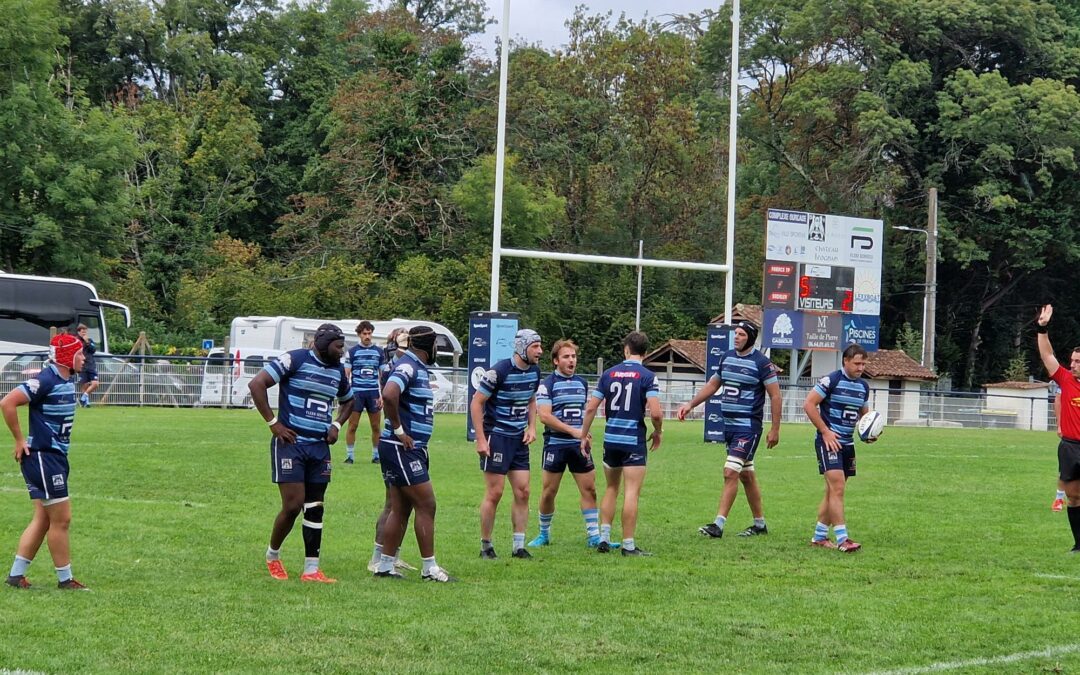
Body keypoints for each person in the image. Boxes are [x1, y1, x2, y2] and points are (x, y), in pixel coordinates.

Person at [248, 323, 353, 582]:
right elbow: (257, 384)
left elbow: (350, 400)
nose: (342, 351)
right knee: (294, 505)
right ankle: (273, 555)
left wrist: (336, 424)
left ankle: (311, 569)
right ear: (323, 344)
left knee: (315, 507)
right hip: (291, 445)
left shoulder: (338, 371)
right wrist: (274, 424)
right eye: (338, 346)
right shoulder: (294, 359)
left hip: (319, 448)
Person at [676, 320, 780, 539]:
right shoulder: (726, 357)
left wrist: (775, 429)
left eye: (741, 334)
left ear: (750, 338)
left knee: (730, 472)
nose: (737, 337)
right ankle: (760, 525)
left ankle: (718, 525)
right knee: (746, 476)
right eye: (736, 334)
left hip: (748, 428)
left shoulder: (762, 363)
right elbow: (713, 385)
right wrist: (690, 404)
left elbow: (775, 395)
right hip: (730, 428)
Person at [3, 333, 89, 589]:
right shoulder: (45, 380)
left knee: (43, 518)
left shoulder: (65, 379)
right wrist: (20, 440)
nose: (84, 359)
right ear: (67, 357)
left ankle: (16, 576)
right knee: (62, 519)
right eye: (80, 354)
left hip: (54, 458)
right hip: (43, 458)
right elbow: (7, 403)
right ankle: (65, 580)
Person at [372, 326, 455, 582]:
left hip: (410, 448)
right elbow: (388, 394)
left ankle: (385, 565)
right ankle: (429, 568)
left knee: (400, 507)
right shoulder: (408, 366)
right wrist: (399, 430)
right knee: (426, 504)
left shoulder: (416, 367)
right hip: (402, 448)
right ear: (428, 346)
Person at [579, 331, 662, 556]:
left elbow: (590, 407)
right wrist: (658, 431)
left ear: (626, 349)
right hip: (633, 440)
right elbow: (655, 412)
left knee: (611, 488)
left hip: (611, 439)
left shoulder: (608, 374)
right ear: (645, 352)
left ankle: (604, 538)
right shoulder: (648, 376)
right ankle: (628, 545)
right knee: (631, 492)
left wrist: (583, 435)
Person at [472, 329, 543, 560]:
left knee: (523, 491)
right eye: (535, 346)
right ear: (522, 347)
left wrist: (532, 427)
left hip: (518, 438)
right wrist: (481, 439)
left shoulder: (535, 371)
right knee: (495, 492)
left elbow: (531, 400)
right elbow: (476, 403)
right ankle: (486, 545)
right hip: (498, 437)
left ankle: (518, 546)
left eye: (540, 346)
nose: (540, 351)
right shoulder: (498, 371)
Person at [527, 339, 601, 548]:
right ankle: (543, 534)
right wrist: (575, 432)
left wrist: (585, 435)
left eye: (574, 356)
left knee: (590, 489)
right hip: (556, 445)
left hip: (579, 445)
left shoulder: (582, 383)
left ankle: (593, 536)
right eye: (566, 357)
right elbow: (545, 416)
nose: (571, 360)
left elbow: (584, 413)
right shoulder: (546, 385)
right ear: (555, 361)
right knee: (549, 491)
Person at [803, 343, 872, 552]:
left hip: (848, 444)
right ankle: (843, 539)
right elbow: (808, 404)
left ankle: (819, 537)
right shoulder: (831, 380)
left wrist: (869, 433)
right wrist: (825, 431)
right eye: (857, 363)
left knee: (833, 491)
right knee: (837, 488)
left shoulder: (863, 387)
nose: (860, 368)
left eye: (863, 364)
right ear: (846, 361)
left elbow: (864, 416)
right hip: (829, 442)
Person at [366, 328, 417, 574]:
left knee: (402, 504)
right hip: (395, 441)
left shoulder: (405, 365)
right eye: (405, 339)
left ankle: (392, 555)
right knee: (393, 503)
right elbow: (389, 396)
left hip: (405, 441)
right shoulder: (394, 368)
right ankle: (378, 557)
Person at [1035, 304, 1080, 553]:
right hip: (1071, 447)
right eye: (1072, 361)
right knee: (1074, 497)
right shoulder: (1065, 379)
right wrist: (1042, 328)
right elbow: (1047, 356)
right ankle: (1079, 544)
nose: (1072, 365)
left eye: (1077, 362)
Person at [344, 321, 384, 464]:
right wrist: (346, 395)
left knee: (376, 426)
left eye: (369, 333)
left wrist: (382, 395)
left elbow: (383, 375)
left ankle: (376, 455)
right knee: (353, 425)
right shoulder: (352, 352)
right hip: (357, 393)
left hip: (373, 393)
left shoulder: (379, 352)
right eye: (364, 334)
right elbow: (346, 374)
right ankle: (350, 456)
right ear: (359, 335)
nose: (367, 336)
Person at [75, 324, 98, 408]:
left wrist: (87, 342)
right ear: (78, 332)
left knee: (95, 384)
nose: (84, 333)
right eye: (82, 331)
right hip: (81, 365)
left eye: (85, 331)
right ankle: (86, 403)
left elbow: (93, 350)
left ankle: (82, 398)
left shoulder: (89, 340)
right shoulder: (76, 341)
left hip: (91, 365)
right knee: (84, 385)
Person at [1053, 394, 1066, 512]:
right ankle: (1059, 499)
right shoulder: (1067, 381)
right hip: (1071, 434)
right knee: (1066, 469)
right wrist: (1059, 425)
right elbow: (1058, 399)